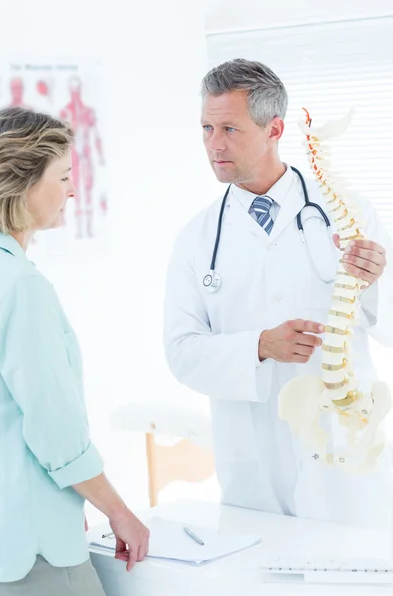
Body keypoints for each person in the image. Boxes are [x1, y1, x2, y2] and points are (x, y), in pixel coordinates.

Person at [163, 59, 393, 529]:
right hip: (253, 460)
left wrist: (376, 280)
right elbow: (181, 352)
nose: (214, 144)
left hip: (342, 453)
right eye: (206, 128)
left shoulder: (349, 213)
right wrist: (259, 347)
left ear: (275, 129)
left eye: (229, 128)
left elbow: (381, 321)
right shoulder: (196, 238)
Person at [0, 107, 149, 596]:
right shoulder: (21, 287)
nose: (72, 191)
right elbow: (55, 431)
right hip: (32, 554)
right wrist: (120, 513)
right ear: (22, 184)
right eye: (62, 177)